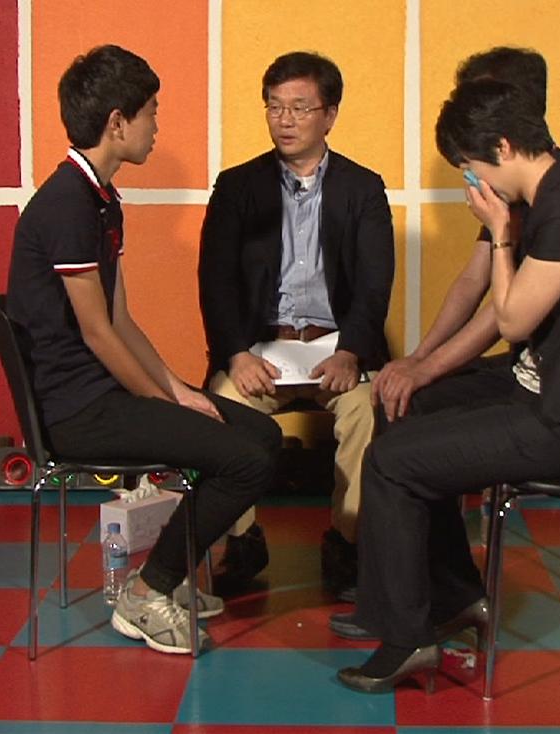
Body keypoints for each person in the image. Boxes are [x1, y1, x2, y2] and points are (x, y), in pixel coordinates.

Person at [335, 78, 560, 692]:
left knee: (392, 462)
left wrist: (502, 232)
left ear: (502, 147)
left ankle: (407, 638)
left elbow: (513, 321)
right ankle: (449, 597)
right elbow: (496, 310)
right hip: (542, 390)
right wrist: (421, 365)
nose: (472, 183)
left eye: (471, 168)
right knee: (405, 405)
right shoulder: (549, 192)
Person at [6, 45, 281, 655]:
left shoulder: (102, 199)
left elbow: (121, 319)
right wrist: (166, 402)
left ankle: (167, 577)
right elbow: (96, 334)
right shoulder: (66, 205)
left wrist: (179, 390)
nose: (157, 126)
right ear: (117, 121)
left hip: (103, 393)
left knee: (262, 436)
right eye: (151, 112)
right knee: (246, 462)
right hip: (78, 411)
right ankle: (146, 593)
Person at [198, 51, 395, 599]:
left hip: (337, 348)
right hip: (263, 349)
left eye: (300, 108)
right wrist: (236, 354)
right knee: (223, 406)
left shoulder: (362, 188)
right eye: (275, 107)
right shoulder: (237, 187)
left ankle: (347, 543)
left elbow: (375, 283)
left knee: (365, 410)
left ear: (329, 115)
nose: (285, 120)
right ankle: (242, 541)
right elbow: (216, 281)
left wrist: (352, 351)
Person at [371, 47, 546, 425]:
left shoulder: (551, 195)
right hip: (521, 365)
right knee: (401, 396)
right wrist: (419, 357)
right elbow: (472, 281)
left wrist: (427, 368)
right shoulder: (506, 191)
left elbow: (504, 315)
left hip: (546, 384)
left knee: (415, 400)